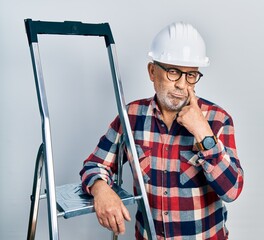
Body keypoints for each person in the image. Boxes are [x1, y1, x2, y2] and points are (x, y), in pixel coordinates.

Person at [80, 21, 244, 240]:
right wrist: (101, 189)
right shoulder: (131, 117)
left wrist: (204, 135)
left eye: (191, 75)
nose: (182, 85)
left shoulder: (217, 119)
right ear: (152, 71)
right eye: (173, 72)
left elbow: (232, 191)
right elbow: (95, 165)